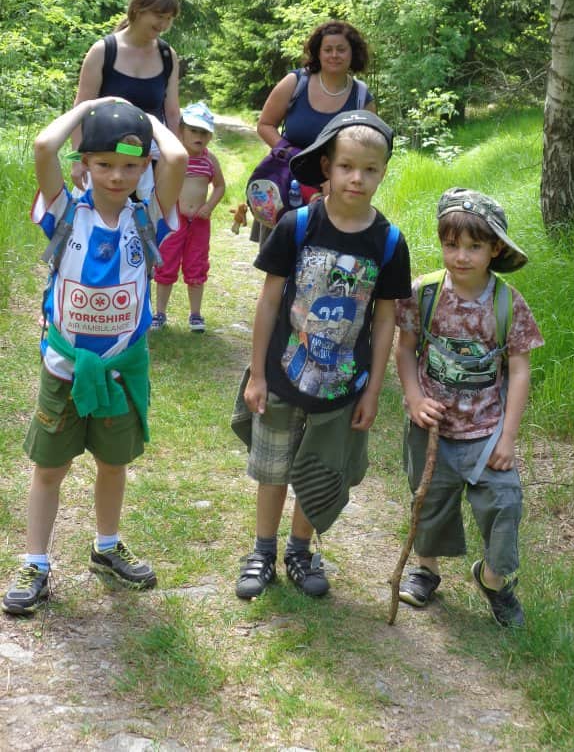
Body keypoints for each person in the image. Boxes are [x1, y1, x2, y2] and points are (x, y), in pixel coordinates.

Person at [2, 98, 187, 616]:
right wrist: (90, 105)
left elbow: (176, 159)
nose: (117, 176)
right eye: (104, 163)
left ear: (145, 166)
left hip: (121, 371)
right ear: (83, 163)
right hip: (64, 369)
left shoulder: (148, 218)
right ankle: (35, 562)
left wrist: (150, 121)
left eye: (131, 166)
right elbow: (44, 145)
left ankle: (106, 547)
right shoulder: (65, 213)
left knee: (113, 463)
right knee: (49, 468)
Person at [232, 110, 411, 599]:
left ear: (383, 172)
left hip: (342, 387)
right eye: (347, 166)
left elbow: (385, 320)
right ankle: (262, 551)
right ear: (328, 166)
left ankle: (299, 551)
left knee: (317, 470)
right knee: (272, 469)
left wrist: (373, 391)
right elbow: (269, 300)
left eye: (370, 169)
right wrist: (257, 375)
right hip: (282, 374)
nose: (357, 178)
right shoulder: (298, 225)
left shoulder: (389, 242)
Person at [394, 188, 544, 627]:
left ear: (495, 249)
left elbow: (519, 370)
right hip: (432, 428)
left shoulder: (507, 303)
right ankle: (426, 570)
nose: (461, 256)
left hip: (486, 430)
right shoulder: (424, 294)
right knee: (429, 502)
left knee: (504, 501)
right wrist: (414, 398)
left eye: (474, 246)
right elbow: (405, 349)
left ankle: (493, 579)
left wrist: (508, 437)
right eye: (451, 244)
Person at [251, 19, 375, 244]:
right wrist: (294, 157)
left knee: (325, 257)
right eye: (328, 49)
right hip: (288, 185)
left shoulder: (361, 97)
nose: (334, 55)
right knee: (278, 258)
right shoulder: (296, 82)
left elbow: (369, 150)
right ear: (318, 52)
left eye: (341, 49)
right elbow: (265, 125)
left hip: (336, 193)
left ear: (353, 53)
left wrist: (335, 176)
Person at [71, 0, 181, 199]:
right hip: (105, 164)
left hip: (148, 164)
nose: (163, 24)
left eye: (169, 19)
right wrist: (77, 160)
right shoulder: (103, 51)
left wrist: (174, 163)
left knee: (146, 220)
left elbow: (172, 113)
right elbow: (80, 110)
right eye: (159, 16)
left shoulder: (167, 56)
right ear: (138, 9)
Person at [151, 101, 225, 333]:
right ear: (181, 130)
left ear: (210, 136)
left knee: (197, 264)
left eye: (204, 133)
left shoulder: (210, 159)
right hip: (175, 220)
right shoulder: (174, 156)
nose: (199, 137)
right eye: (193, 130)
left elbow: (220, 186)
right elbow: (158, 183)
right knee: (166, 262)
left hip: (199, 222)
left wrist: (209, 206)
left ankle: (195, 313)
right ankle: (160, 313)